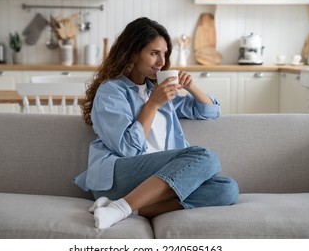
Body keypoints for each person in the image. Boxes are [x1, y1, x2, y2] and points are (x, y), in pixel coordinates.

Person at [73, 17, 239, 230]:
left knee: (227, 189)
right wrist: (152, 105)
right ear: (132, 52)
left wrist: (191, 86)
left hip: (159, 179)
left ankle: (125, 207)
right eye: (154, 53)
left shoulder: (156, 89)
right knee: (205, 157)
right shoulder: (111, 91)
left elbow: (209, 111)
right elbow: (127, 149)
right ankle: (120, 207)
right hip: (120, 175)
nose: (161, 62)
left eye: (164, 54)